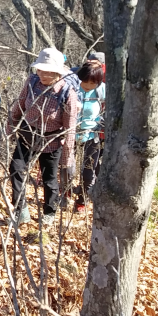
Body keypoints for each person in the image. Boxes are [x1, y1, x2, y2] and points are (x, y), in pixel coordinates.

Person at [5, 48, 78, 226]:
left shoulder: (68, 93)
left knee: (49, 179)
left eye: (49, 71)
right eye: (41, 70)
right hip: (28, 134)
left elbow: (70, 128)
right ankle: (21, 210)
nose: (43, 74)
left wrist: (67, 158)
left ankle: (49, 213)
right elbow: (20, 104)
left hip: (51, 141)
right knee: (16, 168)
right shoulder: (32, 82)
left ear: (58, 72)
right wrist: (11, 126)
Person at [71, 62, 104, 213]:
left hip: (92, 134)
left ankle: (82, 201)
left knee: (89, 170)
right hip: (70, 132)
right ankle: (66, 192)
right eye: (86, 81)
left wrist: (103, 123)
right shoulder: (72, 87)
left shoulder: (101, 90)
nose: (89, 86)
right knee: (67, 168)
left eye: (93, 83)